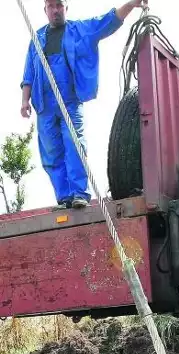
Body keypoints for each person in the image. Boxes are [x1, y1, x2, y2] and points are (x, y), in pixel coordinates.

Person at [20, 0, 147, 210]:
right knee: (51, 153)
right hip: (45, 105)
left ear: (65, 8)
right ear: (45, 10)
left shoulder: (79, 30)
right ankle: (64, 197)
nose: (55, 10)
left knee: (74, 145)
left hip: (69, 101)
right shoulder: (36, 39)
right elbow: (28, 74)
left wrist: (132, 4)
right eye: (51, 6)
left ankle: (79, 193)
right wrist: (25, 100)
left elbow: (108, 20)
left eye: (59, 5)